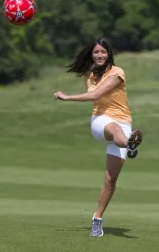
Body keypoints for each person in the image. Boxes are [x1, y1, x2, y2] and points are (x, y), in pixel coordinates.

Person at [54, 38, 143, 237]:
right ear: (92, 55)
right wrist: (68, 97)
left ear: (109, 54)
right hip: (101, 121)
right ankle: (130, 144)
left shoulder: (117, 73)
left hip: (124, 122)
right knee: (115, 130)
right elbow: (94, 97)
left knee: (110, 180)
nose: (99, 55)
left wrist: (67, 97)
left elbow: (97, 94)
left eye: (103, 52)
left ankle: (97, 218)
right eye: (96, 52)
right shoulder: (92, 76)